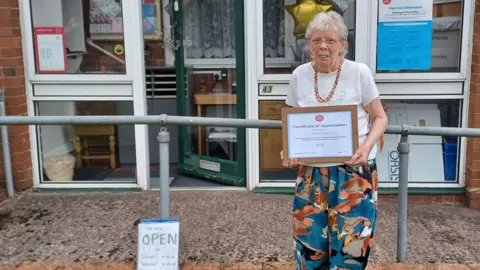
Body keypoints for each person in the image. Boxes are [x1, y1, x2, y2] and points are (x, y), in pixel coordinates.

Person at [281, 11, 388, 270]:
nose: (323, 47)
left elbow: (380, 118)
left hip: (354, 174)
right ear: (308, 46)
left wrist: (365, 147)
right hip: (311, 176)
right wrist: (288, 151)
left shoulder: (359, 73)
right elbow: (291, 125)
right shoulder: (300, 75)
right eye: (316, 41)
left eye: (330, 40)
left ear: (343, 45)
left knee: (351, 249)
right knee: (310, 246)